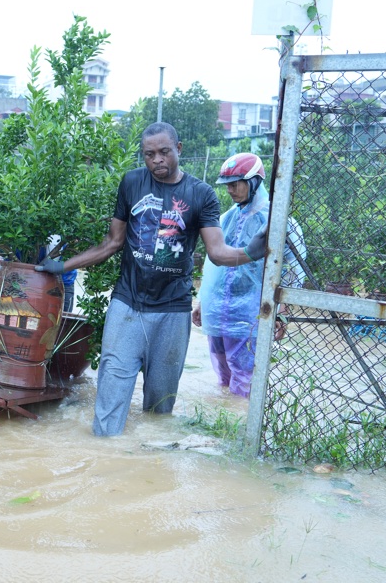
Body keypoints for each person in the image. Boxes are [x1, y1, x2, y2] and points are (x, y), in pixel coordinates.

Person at [35, 122, 267, 436]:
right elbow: (112, 243)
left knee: (160, 406)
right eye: (149, 154)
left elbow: (217, 252)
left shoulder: (201, 194)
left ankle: (148, 469)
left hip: (172, 310)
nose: (156, 160)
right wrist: (62, 266)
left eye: (163, 152)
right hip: (127, 305)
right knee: (111, 392)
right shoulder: (131, 183)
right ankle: (105, 459)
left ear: (179, 149)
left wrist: (251, 252)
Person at [191, 154, 270, 397]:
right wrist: (203, 302)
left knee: (245, 377)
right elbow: (212, 264)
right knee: (222, 377)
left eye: (235, 184)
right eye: (227, 185)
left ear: (254, 181)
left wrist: (281, 313)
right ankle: (223, 421)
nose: (230, 190)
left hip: (250, 312)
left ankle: (240, 423)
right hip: (218, 311)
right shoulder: (226, 218)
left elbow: (293, 266)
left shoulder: (273, 221)